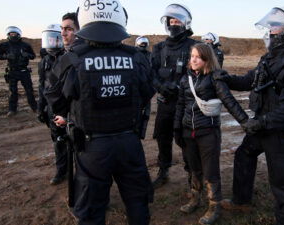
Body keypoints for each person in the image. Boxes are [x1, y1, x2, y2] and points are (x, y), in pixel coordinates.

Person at [49, 1, 155, 224]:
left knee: (91, 212)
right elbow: (147, 92)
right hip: (129, 142)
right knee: (137, 203)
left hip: (92, 148)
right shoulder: (137, 57)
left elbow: (55, 102)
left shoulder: (72, 58)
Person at [214, 6, 284, 225]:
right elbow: (250, 81)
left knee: (282, 178)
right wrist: (227, 78)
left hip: (280, 131)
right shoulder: (268, 58)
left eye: (275, 26)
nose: (270, 31)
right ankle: (241, 200)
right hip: (260, 125)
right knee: (243, 156)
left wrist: (261, 123)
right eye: (270, 26)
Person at [175, 43, 248, 224]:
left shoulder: (215, 78)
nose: (193, 59)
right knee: (194, 168)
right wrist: (177, 128)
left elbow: (229, 101)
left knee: (211, 172)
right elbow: (180, 105)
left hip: (208, 132)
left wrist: (246, 122)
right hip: (188, 132)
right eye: (192, 56)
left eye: (198, 57)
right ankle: (195, 198)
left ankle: (214, 206)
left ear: (207, 59)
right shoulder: (185, 79)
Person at [151, 3, 199, 188]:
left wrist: (180, 87)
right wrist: (161, 87)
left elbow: (199, 72)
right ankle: (163, 171)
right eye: (171, 20)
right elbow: (151, 72)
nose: (173, 24)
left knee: (186, 140)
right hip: (164, 103)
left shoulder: (194, 46)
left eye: (177, 20)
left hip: (185, 104)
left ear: (185, 23)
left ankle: (192, 176)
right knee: (163, 138)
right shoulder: (159, 48)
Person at [37, 24, 67, 185]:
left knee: (76, 141)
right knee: (58, 141)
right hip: (52, 109)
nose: (52, 42)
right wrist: (40, 108)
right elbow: (42, 87)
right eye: (50, 39)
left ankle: (81, 173)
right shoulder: (43, 62)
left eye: (56, 39)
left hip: (68, 108)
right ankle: (62, 171)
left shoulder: (68, 57)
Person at [0, 26, 37, 117]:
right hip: (12, 71)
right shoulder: (4, 45)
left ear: (18, 34)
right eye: (11, 33)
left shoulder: (25, 45)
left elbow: (33, 56)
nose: (13, 35)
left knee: (29, 90)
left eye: (14, 33)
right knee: (12, 91)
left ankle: (34, 107)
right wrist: (6, 56)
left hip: (24, 71)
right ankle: (12, 109)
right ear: (8, 34)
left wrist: (27, 55)